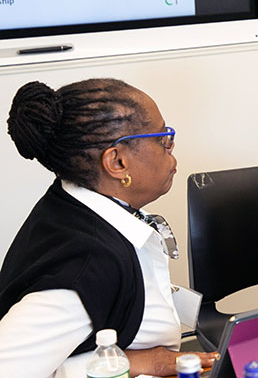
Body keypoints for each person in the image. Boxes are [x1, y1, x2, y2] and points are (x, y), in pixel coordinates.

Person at [0, 79, 217, 377]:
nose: (171, 145)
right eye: (162, 137)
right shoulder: (85, 265)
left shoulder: (74, 203)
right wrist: (138, 363)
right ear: (117, 162)